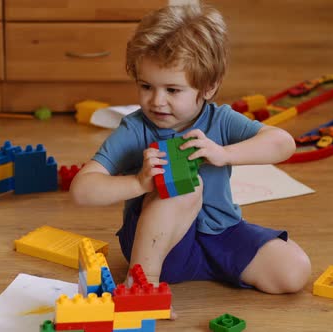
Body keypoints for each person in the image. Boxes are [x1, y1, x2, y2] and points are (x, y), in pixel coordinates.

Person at [70, 4, 311, 297]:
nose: (157, 101)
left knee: (294, 270)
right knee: (186, 186)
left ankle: (213, 267)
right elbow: (81, 190)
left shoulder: (220, 119)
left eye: (172, 90)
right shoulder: (135, 130)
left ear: (208, 87)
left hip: (221, 232)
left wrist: (225, 154)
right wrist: (137, 183)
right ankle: (142, 284)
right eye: (146, 86)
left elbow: (283, 143)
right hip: (160, 247)